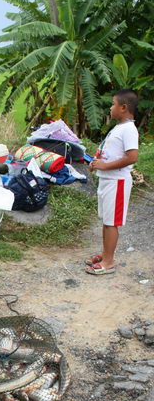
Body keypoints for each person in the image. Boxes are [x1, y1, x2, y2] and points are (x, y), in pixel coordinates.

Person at [85, 89, 139, 275]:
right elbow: (111, 152)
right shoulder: (119, 128)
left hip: (117, 182)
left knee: (111, 222)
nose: (110, 108)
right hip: (108, 180)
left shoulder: (129, 130)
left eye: (113, 104)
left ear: (123, 107)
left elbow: (132, 157)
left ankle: (109, 262)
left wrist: (105, 166)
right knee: (107, 221)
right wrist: (97, 162)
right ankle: (106, 253)